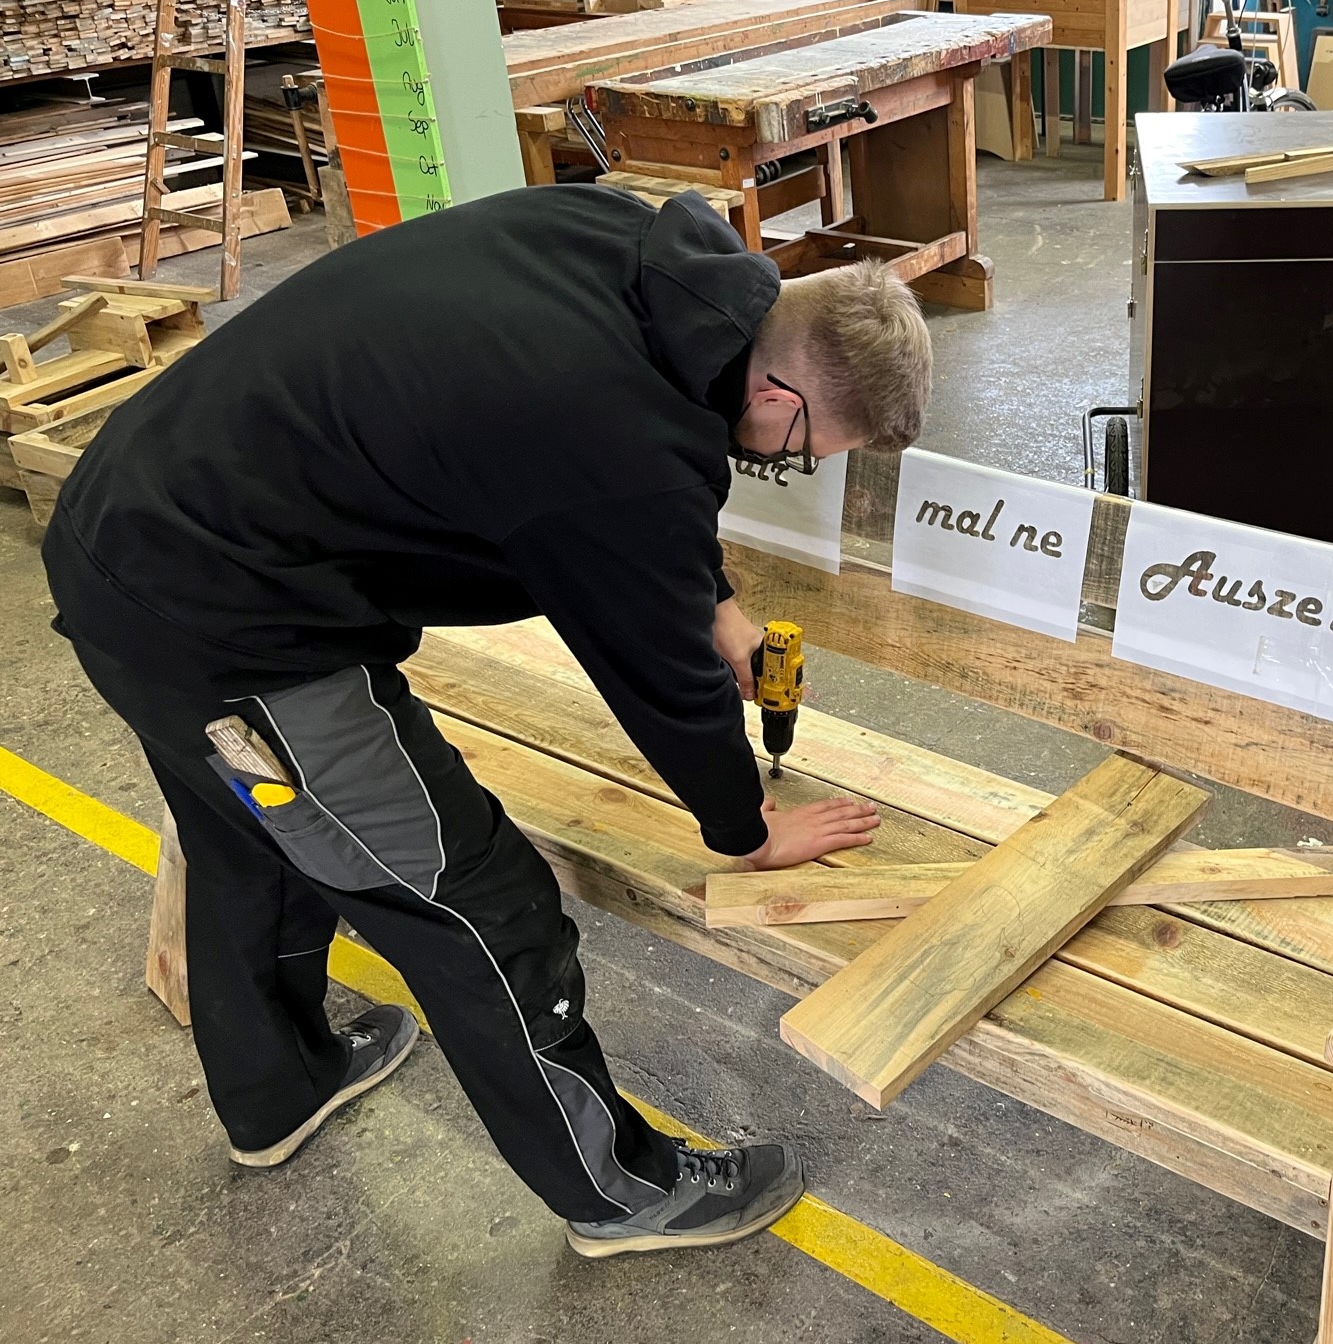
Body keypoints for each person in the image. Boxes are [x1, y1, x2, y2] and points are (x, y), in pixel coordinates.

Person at [41, 185, 933, 1258]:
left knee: (257, 844)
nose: (793, 461)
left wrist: (719, 604)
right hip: (232, 628)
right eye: (807, 447)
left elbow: (646, 492)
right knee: (477, 904)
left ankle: (280, 1091)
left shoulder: (639, 251)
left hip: (129, 527)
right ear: (781, 390)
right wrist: (746, 828)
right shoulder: (617, 439)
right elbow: (654, 672)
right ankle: (618, 1195)